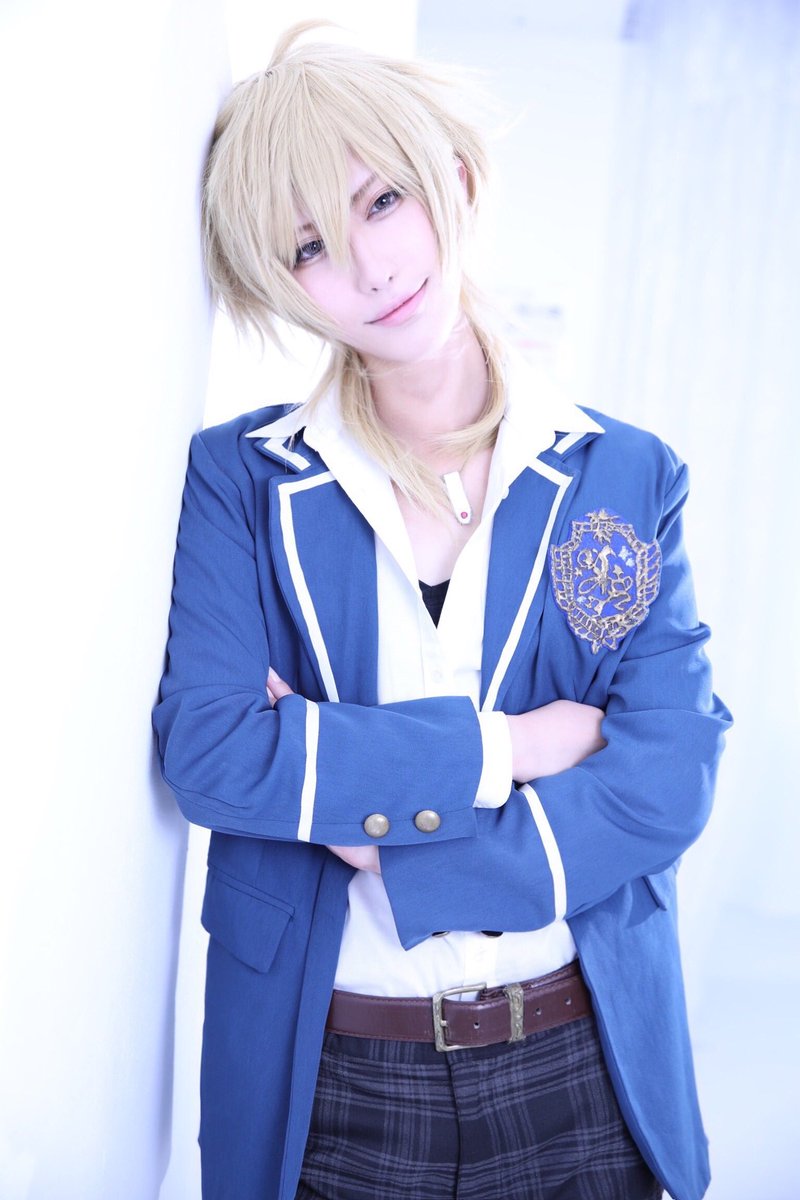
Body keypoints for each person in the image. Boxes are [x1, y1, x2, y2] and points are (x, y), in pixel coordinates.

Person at [153, 22, 730, 1200]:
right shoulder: (241, 481)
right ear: (276, 283)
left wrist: (392, 848)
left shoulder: (624, 475)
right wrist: (508, 749)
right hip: (329, 1078)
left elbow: (666, 777)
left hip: (582, 1063)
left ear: (452, 182)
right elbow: (213, 753)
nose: (368, 267)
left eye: (381, 200)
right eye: (309, 245)